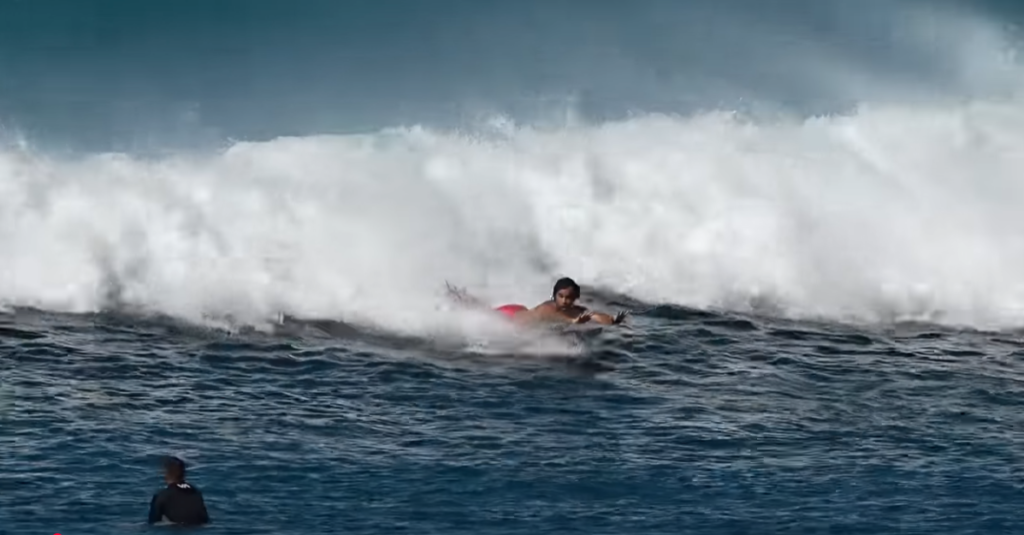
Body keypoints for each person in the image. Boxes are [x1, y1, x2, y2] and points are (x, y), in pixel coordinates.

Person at [515, 277, 628, 325]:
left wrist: (612, 320)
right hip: (514, 319)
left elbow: (593, 315)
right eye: (561, 296)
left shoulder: (576, 311)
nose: (564, 301)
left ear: (575, 298)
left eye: (569, 298)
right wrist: (572, 321)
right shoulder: (548, 307)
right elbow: (553, 315)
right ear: (554, 295)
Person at [147, 456, 210, 526]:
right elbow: (205, 520)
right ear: (184, 474)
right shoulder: (196, 493)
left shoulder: (161, 496)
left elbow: (152, 523)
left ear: (166, 474)